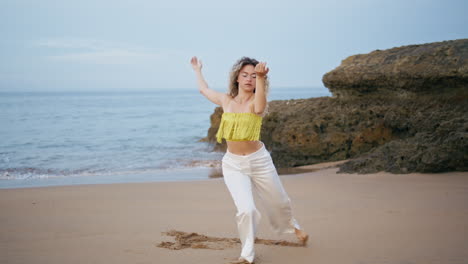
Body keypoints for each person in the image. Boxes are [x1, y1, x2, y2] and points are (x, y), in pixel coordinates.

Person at [190, 56, 308, 264]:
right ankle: (247, 255)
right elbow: (204, 89)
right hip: (233, 164)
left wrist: (261, 78)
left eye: (253, 76)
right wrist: (197, 70)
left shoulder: (256, 101)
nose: (248, 79)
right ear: (237, 78)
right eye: (245, 75)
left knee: (279, 202)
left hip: (259, 161)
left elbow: (260, 108)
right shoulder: (226, 100)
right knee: (246, 210)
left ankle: (294, 226)